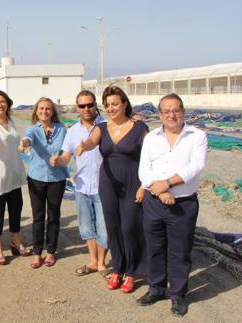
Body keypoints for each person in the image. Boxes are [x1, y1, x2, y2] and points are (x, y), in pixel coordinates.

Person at [137, 93, 207, 317]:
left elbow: (195, 167)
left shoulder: (197, 136)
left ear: (183, 111)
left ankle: (178, 295)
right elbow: (143, 170)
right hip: (154, 202)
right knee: (154, 248)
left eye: (175, 110)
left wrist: (167, 184)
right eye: (166, 111)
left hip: (183, 204)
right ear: (160, 114)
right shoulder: (151, 138)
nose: (171, 115)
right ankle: (156, 288)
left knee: (180, 252)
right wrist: (160, 192)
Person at [77, 85, 148, 293]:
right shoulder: (101, 128)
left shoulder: (139, 127)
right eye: (107, 105)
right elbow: (91, 141)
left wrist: (145, 185)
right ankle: (117, 268)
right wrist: (85, 145)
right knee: (113, 227)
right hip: (108, 183)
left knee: (129, 227)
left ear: (124, 104)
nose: (110, 108)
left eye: (115, 104)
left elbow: (150, 155)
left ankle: (133, 271)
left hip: (133, 182)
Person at [51, 90, 109, 278]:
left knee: (104, 228)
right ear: (77, 108)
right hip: (82, 187)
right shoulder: (73, 131)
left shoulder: (107, 127)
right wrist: (57, 161)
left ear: (95, 105)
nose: (86, 109)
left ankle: (102, 263)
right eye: (82, 106)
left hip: (104, 187)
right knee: (86, 227)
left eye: (90, 105)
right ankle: (93, 261)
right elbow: (66, 158)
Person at [0, 90, 30, 266]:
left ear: (7, 103)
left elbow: (17, 142)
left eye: (2, 102)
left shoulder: (11, 121)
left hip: (13, 172)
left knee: (16, 208)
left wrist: (23, 144)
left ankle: (15, 241)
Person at [19, 97, 68, 269]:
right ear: (36, 111)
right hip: (36, 178)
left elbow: (67, 150)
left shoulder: (62, 129)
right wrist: (24, 144)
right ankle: (37, 253)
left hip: (57, 178)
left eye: (48, 108)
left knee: (54, 216)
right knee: (38, 216)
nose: (44, 111)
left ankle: (51, 252)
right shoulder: (33, 129)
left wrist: (61, 159)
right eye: (41, 109)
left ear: (52, 111)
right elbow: (28, 138)